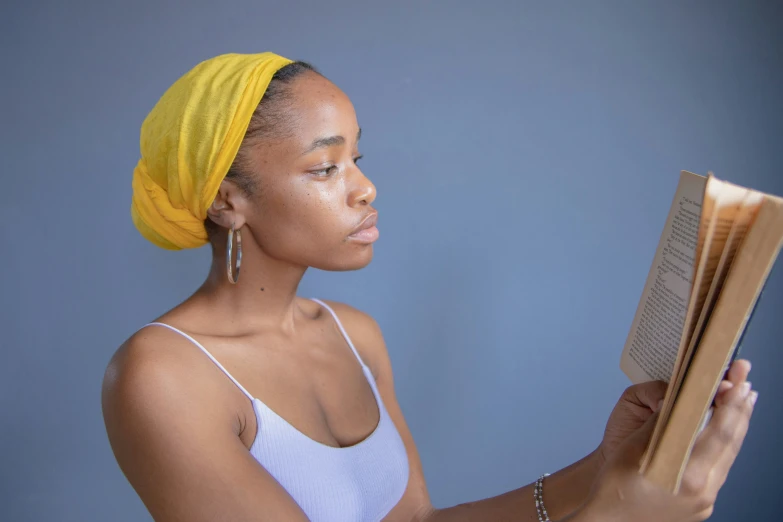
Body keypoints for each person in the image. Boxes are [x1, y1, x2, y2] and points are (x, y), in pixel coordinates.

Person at [101, 52, 757, 522]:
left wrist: (603, 467)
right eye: (325, 166)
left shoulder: (354, 335)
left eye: (357, 158)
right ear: (227, 203)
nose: (364, 187)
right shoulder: (163, 377)